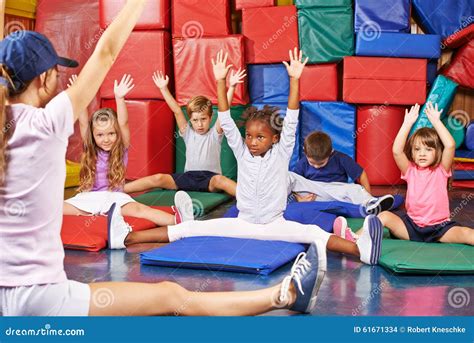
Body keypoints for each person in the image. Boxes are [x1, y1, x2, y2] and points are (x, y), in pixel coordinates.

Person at [0, 1, 323, 316]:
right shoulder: (47, 123)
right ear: (43, 79)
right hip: (42, 297)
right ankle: (285, 294)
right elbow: (106, 52)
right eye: (55, 72)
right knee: (172, 296)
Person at [118, 48, 384, 268]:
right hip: (242, 223)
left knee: (313, 234)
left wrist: (294, 80)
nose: (253, 142)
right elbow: (224, 118)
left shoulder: (281, 154)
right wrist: (220, 81)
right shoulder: (242, 153)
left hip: (274, 225)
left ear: (274, 139)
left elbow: (291, 118)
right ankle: (127, 237)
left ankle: (361, 250)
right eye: (250, 136)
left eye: (260, 137)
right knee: (189, 229)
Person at [63, 74, 190, 249]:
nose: (106, 139)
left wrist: (119, 98)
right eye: (100, 135)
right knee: (57, 210)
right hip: (89, 198)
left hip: (115, 198)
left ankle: (181, 220)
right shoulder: (90, 150)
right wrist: (81, 93)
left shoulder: (120, 149)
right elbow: (84, 122)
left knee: (141, 210)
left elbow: (123, 123)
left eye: (111, 134)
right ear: (93, 136)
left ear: (117, 134)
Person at [334, 102, 474, 245]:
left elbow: (450, 145)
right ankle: (353, 239)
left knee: (467, 233)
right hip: (411, 228)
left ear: (437, 151)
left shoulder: (441, 169)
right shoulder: (410, 170)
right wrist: (407, 124)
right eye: (417, 149)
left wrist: (436, 122)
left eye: (428, 149)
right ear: (412, 153)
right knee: (384, 216)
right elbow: (396, 151)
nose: (422, 154)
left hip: (440, 229)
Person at [123, 68, 246, 197]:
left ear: (210, 118)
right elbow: (177, 110)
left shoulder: (215, 134)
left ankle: (248, 198)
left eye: (203, 119)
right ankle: (119, 189)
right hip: (188, 177)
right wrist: (163, 89)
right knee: (158, 178)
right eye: (195, 120)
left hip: (210, 179)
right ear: (190, 120)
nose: (199, 124)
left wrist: (231, 86)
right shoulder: (188, 133)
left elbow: (223, 110)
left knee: (221, 180)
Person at [289, 130, 394, 215]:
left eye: (321, 163)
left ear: (331, 152)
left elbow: (361, 174)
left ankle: (370, 202)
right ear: (305, 152)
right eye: (312, 163)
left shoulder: (341, 158)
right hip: (315, 192)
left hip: (337, 191)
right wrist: (299, 198)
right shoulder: (302, 163)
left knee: (356, 188)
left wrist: (368, 194)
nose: (316, 166)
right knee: (290, 176)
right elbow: (296, 183)